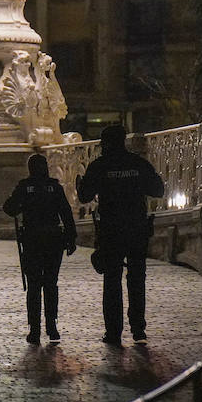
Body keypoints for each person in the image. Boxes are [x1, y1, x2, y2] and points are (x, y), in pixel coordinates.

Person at [77, 124, 164, 345]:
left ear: (105, 144)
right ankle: (138, 329)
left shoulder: (100, 166)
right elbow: (158, 190)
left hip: (111, 230)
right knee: (137, 279)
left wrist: (81, 184)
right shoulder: (138, 163)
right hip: (136, 228)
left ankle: (113, 332)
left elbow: (85, 196)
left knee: (112, 280)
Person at [3, 153, 77, 343]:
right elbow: (66, 213)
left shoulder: (24, 187)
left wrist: (21, 203)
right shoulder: (54, 187)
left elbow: (9, 208)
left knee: (34, 285)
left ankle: (34, 329)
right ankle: (52, 327)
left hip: (32, 239)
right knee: (51, 283)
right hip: (53, 239)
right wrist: (71, 238)